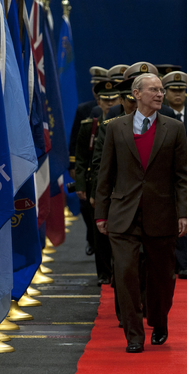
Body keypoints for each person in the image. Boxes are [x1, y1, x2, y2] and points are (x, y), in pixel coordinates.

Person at [95, 73, 187, 353]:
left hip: (161, 213)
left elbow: (183, 176)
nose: (160, 94)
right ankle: (134, 335)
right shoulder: (116, 128)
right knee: (125, 274)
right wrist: (101, 214)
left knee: (162, 278)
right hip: (123, 214)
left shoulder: (175, 128)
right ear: (136, 94)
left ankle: (159, 321)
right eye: (154, 90)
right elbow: (105, 174)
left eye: (162, 90)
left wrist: (184, 213)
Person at [75, 80, 121, 286]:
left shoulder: (124, 124)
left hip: (118, 183)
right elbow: (81, 159)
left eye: (114, 99)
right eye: (105, 100)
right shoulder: (89, 126)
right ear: (98, 102)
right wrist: (81, 185)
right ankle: (103, 272)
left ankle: (119, 269)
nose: (109, 103)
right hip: (95, 183)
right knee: (99, 232)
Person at [163, 71, 187, 279]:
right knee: (176, 215)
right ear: (166, 93)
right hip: (168, 175)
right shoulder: (161, 116)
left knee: (186, 213)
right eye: (173, 90)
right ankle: (182, 262)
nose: (178, 94)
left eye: (181, 90)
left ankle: (179, 261)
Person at [69, 66, 111, 256]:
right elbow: (76, 141)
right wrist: (73, 167)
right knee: (87, 208)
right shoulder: (85, 110)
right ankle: (92, 238)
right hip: (88, 168)